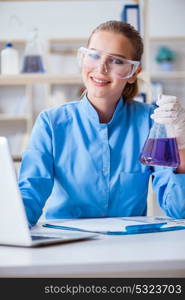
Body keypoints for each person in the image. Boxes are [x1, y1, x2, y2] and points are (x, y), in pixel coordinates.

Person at [18, 20, 185, 227]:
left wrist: (180, 148)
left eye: (116, 61)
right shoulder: (51, 123)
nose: (101, 68)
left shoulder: (150, 123)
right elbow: (30, 195)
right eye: (94, 55)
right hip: (67, 244)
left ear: (134, 73)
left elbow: (178, 209)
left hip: (131, 245)